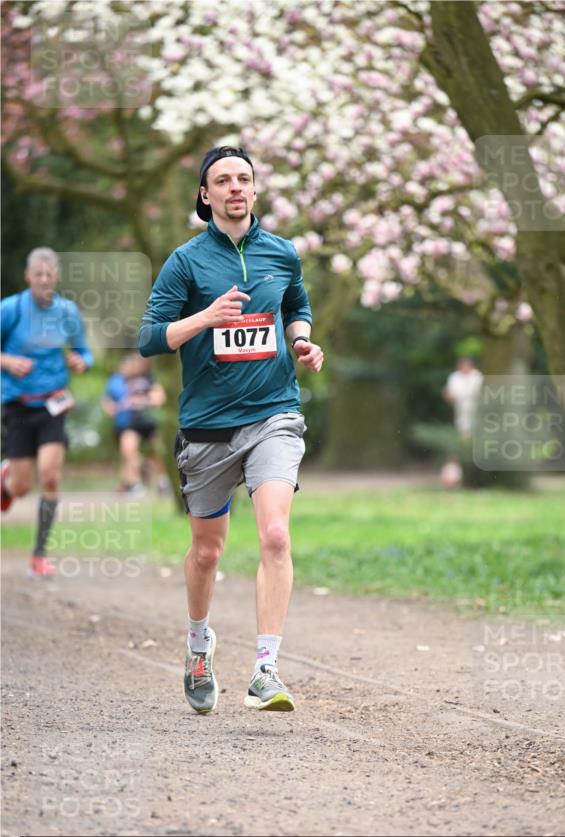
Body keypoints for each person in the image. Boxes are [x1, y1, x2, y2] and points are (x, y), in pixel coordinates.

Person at [139, 145, 324, 716]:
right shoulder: (186, 262)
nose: (235, 187)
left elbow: (295, 305)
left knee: (276, 536)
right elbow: (149, 338)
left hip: (274, 414)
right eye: (223, 180)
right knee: (206, 552)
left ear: (255, 188)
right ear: (206, 194)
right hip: (208, 427)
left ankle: (266, 670)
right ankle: (199, 644)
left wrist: (301, 340)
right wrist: (206, 317)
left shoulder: (281, 252)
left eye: (243, 178)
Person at [0, 247, 93, 576]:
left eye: (48, 274)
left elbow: (84, 352)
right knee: (22, 487)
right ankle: (7, 482)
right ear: (28, 276)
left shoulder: (67, 312)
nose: (43, 280)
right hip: (18, 405)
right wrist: (8, 361)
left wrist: (81, 361)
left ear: (56, 277)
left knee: (51, 475)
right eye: (37, 274)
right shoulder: (10, 309)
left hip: (53, 405)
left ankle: (39, 555)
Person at [102, 352, 166, 494]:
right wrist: (115, 407)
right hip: (129, 422)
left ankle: (162, 481)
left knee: (159, 450)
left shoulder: (150, 379)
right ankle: (135, 481)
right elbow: (107, 401)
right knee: (128, 451)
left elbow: (159, 398)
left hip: (149, 420)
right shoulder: (119, 380)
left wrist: (143, 401)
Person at [442, 357, 483, 441]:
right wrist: (448, 395)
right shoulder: (454, 376)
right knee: (462, 422)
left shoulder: (477, 375)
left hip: (475, 404)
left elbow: (476, 390)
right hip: (459, 405)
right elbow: (451, 391)